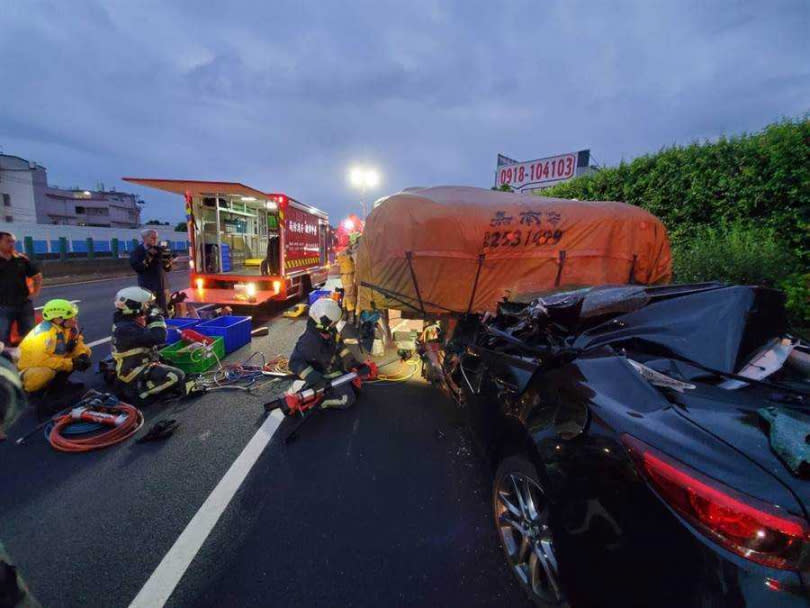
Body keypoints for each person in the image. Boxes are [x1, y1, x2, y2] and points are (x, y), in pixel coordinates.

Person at [111, 286, 186, 404]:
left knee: (171, 362)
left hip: (138, 364)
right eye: (146, 304)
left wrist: (171, 305)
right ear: (134, 305)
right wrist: (156, 316)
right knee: (176, 376)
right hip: (133, 374)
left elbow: (152, 327)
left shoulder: (126, 320)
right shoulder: (126, 328)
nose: (148, 307)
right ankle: (140, 395)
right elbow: (159, 336)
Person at [17, 299, 92, 417]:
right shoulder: (43, 334)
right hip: (30, 368)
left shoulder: (69, 328)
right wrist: (71, 363)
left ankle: (59, 384)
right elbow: (41, 361)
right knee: (44, 374)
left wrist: (82, 355)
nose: (74, 319)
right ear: (58, 319)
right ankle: (32, 393)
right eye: (71, 317)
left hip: (52, 360)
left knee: (85, 352)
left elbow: (78, 343)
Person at [288, 298, 363, 410]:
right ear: (324, 322)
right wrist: (315, 379)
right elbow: (294, 362)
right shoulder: (309, 341)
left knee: (357, 390)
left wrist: (354, 364)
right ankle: (321, 402)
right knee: (347, 399)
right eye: (334, 323)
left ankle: (321, 392)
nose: (336, 325)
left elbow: (341, 348)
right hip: (322, 378)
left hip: (334, 373)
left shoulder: (330, 332)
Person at [0, 232, 42, 345]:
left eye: (12, 241)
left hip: (24, 305)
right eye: (8, 241)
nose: (12, 244)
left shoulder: (21, 260)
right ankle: (5, 361)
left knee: (30, 335)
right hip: (3, 306)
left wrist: (35, 292)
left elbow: (37, 276)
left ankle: (29, 358)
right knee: (2, 337)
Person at [130, 229, 172, 314]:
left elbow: (167, 269)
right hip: (148, 287)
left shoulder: (159, 250)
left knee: (165, 311)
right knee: (150, 312)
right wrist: (149, 257)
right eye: (152, 238)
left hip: (163, 286)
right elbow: (138, 268)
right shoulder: (137, 251)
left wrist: (168, 262)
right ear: (144, 238)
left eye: (156, 238)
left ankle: (165, 325)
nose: (155, 240)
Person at [336, 239, 357, 324]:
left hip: (344, 276)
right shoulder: (349, 252)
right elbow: (355, 262)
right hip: (349, 275)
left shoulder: (341, 252)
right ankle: (351, 315)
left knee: (346, 294)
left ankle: (345, 312)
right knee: (350, 295)